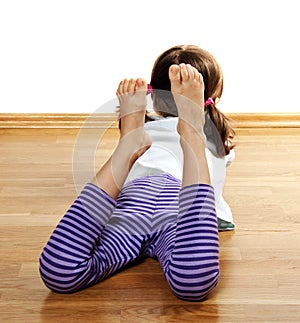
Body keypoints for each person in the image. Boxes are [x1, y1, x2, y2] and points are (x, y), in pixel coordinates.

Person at [39, 45, 235, 301]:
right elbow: (216, 183)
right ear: (213, 98)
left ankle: (130, 142)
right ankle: (188, 134)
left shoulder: (152, 127)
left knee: (59, 270)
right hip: (174, 206)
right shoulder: (218, 142)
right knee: (193, 282)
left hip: (132, 202)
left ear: (155, 94)